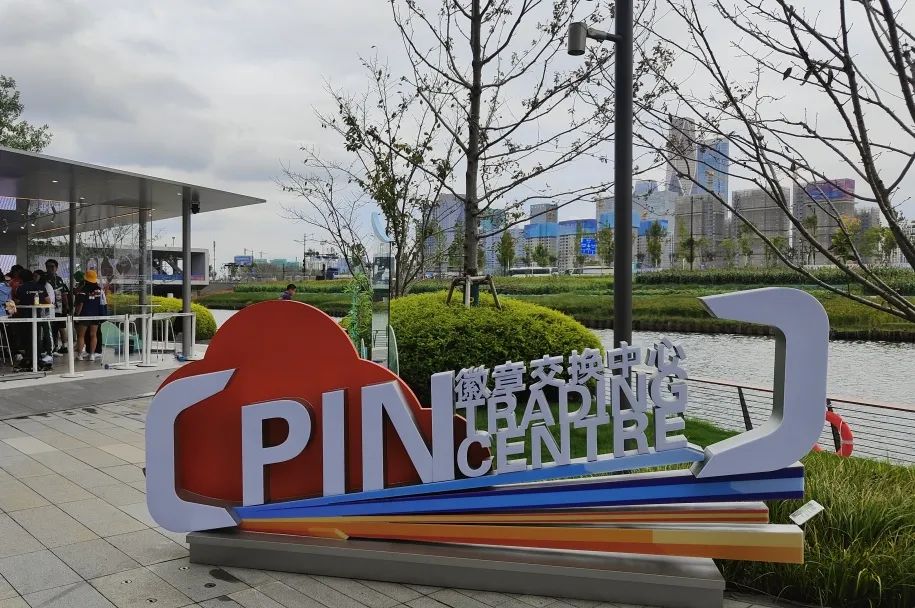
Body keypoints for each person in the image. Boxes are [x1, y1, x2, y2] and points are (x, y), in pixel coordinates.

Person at [14, 269, 52, 370]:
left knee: (27, 337)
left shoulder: (21, 288)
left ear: (21, 279)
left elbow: (17, 301)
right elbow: (48, 300)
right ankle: (37, 357)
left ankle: (29, 358)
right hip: (37, 316)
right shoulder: (41, 287)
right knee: (37, 336)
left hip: (25, 316)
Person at [74, 270, 104, 362]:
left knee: (81, 336)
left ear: (85, 279)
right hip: (95, 315)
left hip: (84, 315)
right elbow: (102, 302)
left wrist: (76, 315)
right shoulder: (99, 290)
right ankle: (92, 355)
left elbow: (80, 304)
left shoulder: (83, 290)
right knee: (93, 335)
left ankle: (79, 355)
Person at [44, 259, 70, 354]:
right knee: (51, 328)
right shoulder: (44, 279)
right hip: (48, 308)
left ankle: (64, 346)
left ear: (56, 268)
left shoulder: (59, 279)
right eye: (48, 266)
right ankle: (53, 346)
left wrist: (66, 306)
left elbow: (64, 294)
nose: (50, 269)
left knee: (61, 326)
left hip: (59, 307)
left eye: (52, 266)